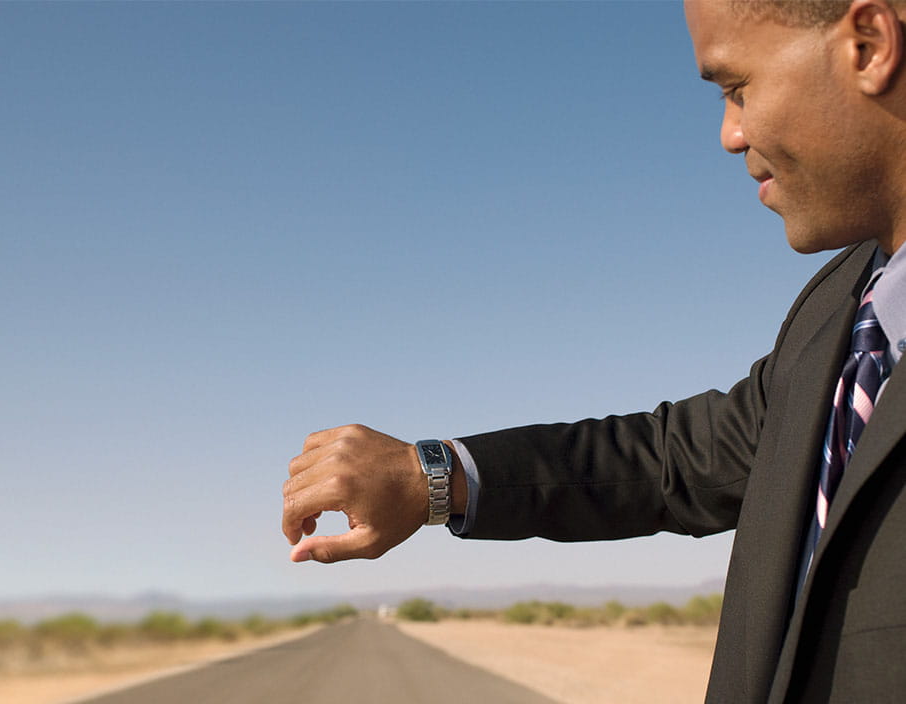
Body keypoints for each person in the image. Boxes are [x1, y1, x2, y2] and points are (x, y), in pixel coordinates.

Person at [281, 1, 906, 701]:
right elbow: (674, 458)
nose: (731, 135)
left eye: (736, 89)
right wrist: (431, 477)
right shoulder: (837, 308)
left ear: (868, 44)